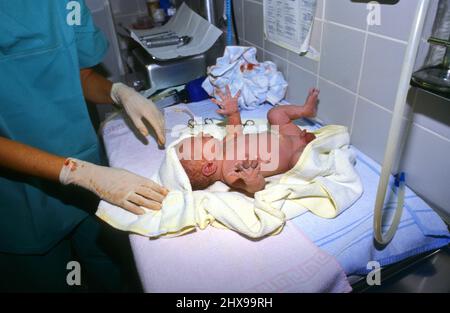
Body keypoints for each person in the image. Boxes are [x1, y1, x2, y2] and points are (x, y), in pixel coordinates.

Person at [0, 0, 168, 292]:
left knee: (112, 272)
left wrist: (117, 92)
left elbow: (82, 77)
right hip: (18, 201)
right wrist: (76, 173)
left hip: (85, 179)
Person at [177, 86, 319, 194]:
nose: (201, 133)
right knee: (301, 162)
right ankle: (312, 148)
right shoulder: (231, 173)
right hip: (294, 154)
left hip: (287, 131)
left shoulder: (225, 143)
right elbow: (257, 188)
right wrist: (252, 179)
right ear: (209, 166)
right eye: (198, 140)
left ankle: (306, 110)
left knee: (275, 114)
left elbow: (235, 127)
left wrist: (233, 112)